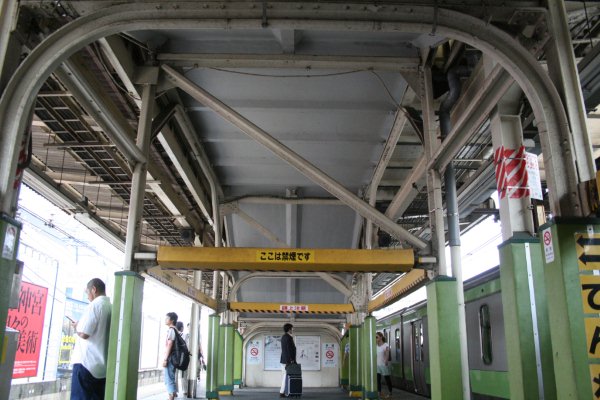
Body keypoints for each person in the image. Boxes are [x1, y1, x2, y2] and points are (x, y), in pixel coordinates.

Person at [70, 278, 112, 400]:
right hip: (102, 367)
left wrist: (77, 326)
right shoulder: (110, 307)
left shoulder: (95, 305)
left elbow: (84, 333)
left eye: (87, 292)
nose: (87, 297)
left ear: (94, 289)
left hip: (86, 365)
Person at [163, 312, 179, 400]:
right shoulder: (175, 330)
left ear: (172, 320)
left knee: (169, 378)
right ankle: (172, 396)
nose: (165, 320)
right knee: (171, 377)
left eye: (167, 318)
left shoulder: (171, 330)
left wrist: (165, 359)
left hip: (170, 358)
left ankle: (171, 397)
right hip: (174, 358)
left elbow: (169, 344)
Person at [279, 323, 296, 398]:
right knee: (286, 376)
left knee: (285, 376)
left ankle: (285, 392)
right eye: (292, 328)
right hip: (287, 361)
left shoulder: (283, 337)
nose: (293, 330)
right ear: (289, 329)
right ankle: (282, 392)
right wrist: (291, 360)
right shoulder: (289, 338)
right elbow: (290, 350)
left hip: (284, 360)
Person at [375, 331, 392, 399]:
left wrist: (386, 360)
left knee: (387, 379)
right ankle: (379, 393)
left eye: (377, 337)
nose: (376, 338)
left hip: (384, 365)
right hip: (377, 365)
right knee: (378, 379)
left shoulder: (385, 345)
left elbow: (387, 353)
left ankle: (390, 392)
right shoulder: (376, 346)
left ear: (381, 337)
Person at [176, 321, 189, 398]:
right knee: (183, 374)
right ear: (182, 328)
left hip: (175, 357)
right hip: (183, 357)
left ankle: (174, 391)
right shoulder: (185, 335)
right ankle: (185, 390)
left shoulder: (174, 334)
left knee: (175, 374)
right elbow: (187, 346)